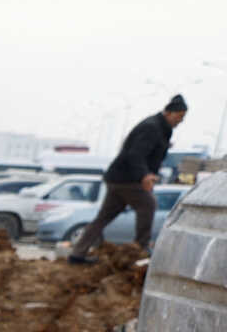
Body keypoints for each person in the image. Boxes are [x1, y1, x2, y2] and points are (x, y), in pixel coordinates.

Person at [70, 94, 187, 262]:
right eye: (179, 116)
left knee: (103, 218)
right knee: (148, 204)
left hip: (119, 177)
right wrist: (144, 175)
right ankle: (140, 249)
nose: (180, 121)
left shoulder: (160, 129)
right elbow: (135, 154)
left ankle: (77, 254)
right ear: (169, 112)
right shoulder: (152, 127)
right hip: (127, 178)